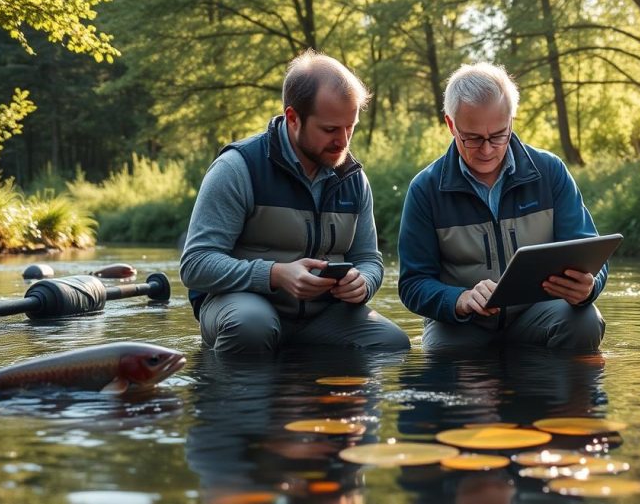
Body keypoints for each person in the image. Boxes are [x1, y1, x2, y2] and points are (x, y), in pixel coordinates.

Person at [180, 50, 410, 354]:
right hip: (241, 307)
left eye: (350, 126)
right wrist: (274, 274)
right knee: (252, 326)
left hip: (322, 316)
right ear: (293, 118)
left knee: (390, 344)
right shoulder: (237, 169)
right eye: (329, 129)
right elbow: (195, 265)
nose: (343, 141)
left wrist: (363, 282)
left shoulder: (354, 179)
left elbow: (369, 258)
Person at [397, 62, 607, 351]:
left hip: (539, 315)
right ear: (450, 125)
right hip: (461, 325)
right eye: (472, 138)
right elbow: (413, 284)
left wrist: (589, 287)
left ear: (511, 120)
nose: (487, 150)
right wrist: (458, 300)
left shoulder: (550, 172)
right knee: (443, 353)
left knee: (585, 322)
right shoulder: (425, 189)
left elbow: (591, 252)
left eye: (498, 135)